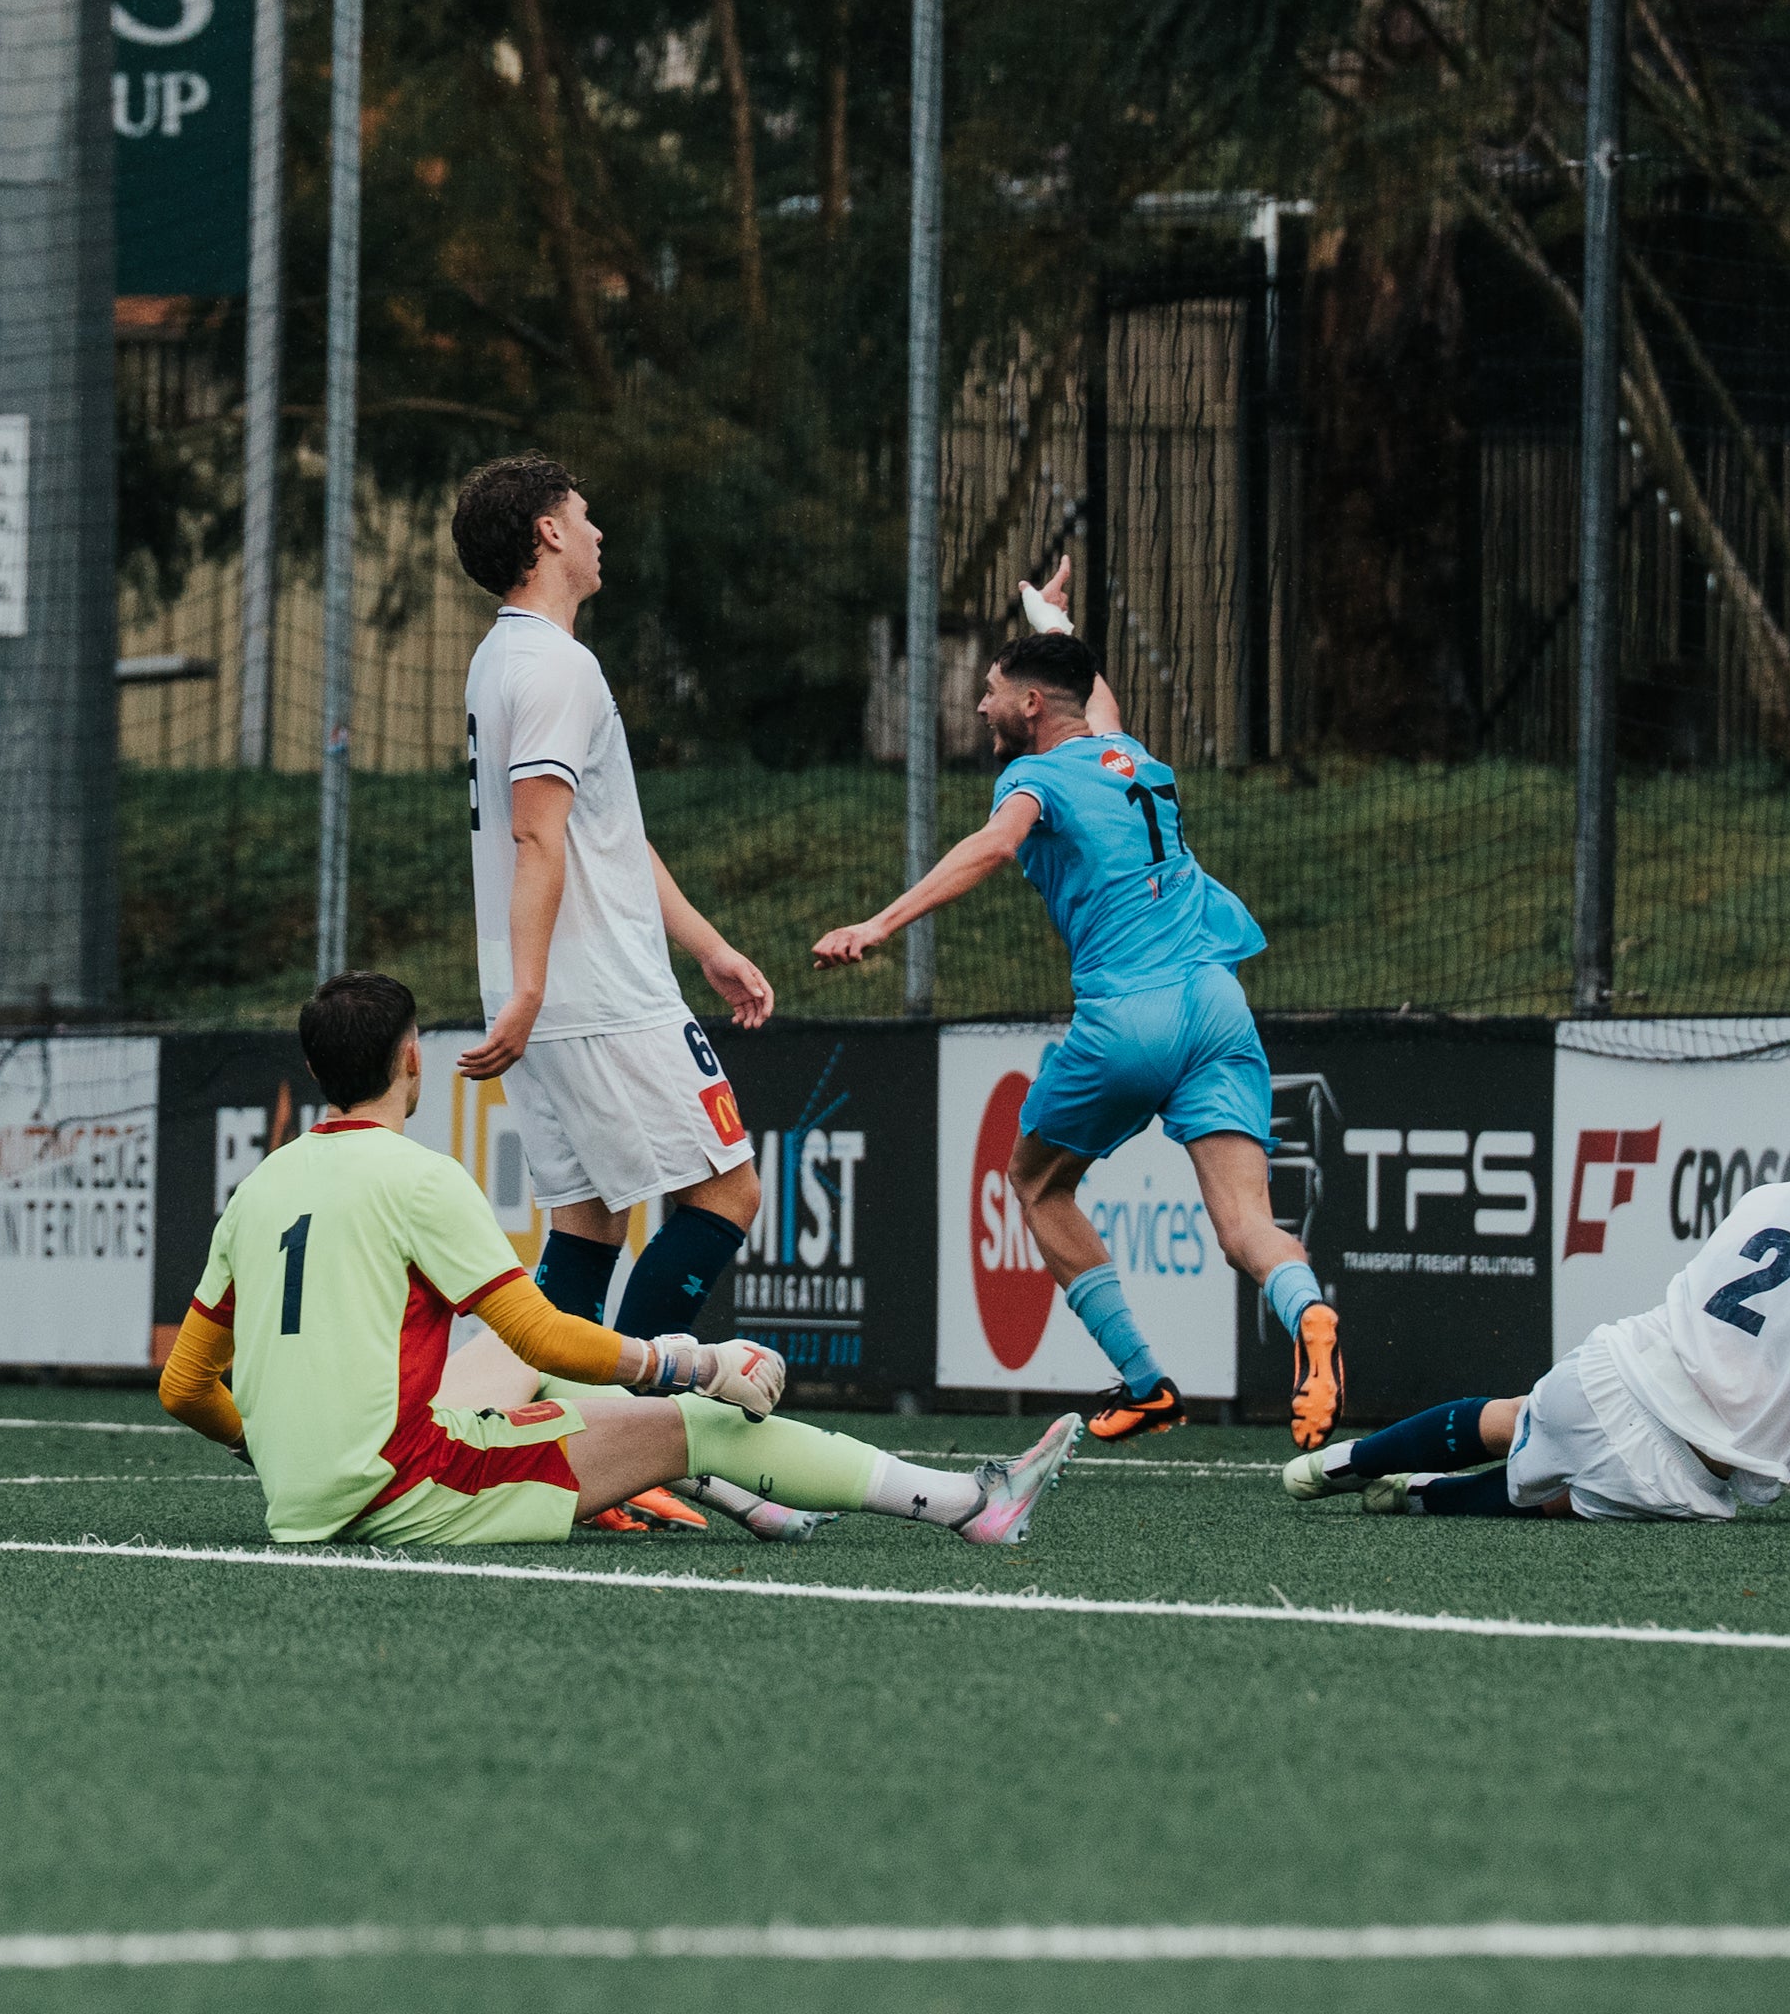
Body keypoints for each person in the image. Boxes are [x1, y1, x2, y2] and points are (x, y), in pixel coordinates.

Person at [156, 971, 1077, 1550]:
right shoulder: (421, 1180)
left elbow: (185, 1387)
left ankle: (745, 1499)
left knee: (527, 1373)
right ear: (412, 1063)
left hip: (307, 1492)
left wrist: (271, 1445)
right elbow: (548, 1334)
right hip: (407, 1489)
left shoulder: (260, 1185)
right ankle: (969, 1503)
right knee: (692, 1416)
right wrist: (697, 1361)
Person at [812, 560, 1343, 1450]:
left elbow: (988, 848)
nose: (979, 707)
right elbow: (1095, 699)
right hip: (1216, 1004)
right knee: (1248, 1225)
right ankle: (1312, 1317)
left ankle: (1145, 1381)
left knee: (1035, 1179)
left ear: (1028, 707)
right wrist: (1044, 617)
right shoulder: (1127, 755)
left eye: (989, 692)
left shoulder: (1035, 783)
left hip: (1127, 1019)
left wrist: (879, 922)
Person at [453, 454, 778, 1530]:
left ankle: (549, 1455)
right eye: (585, 516)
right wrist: (542, 987)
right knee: (728, 1191)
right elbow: (541, 835)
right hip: (594, 998)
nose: (600, 533)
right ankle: (637, 1449)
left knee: (586, 1227)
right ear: (547, 534)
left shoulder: (505, 663)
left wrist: (708, 945)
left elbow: (603, 838)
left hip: (556, 994)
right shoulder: (556, 668)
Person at [1277, 1085, 1790, 1532]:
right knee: (1551, 1502)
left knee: (1516, 1415)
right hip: (1666, 1465)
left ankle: (1344, 1460)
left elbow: (1741, 1370)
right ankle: (1420, 1498)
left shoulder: (1774, 1197)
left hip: (1603, 1371)